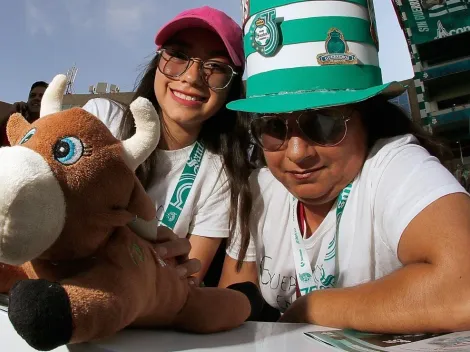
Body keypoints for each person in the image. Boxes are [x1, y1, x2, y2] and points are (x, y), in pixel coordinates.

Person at [219, 0, 470, 332]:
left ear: (367, 118)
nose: (297, 153)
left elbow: (463, 289)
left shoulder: (393, 167)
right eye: (274, 127)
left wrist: (308, 309)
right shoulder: (261, 190)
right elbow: (233, 296)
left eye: (323, 123)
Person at [83, 6, 253, 285]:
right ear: (157, 63)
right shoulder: (101, 119)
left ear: (232, 87)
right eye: (178, 56)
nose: (192, 77)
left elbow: (186, 286)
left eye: (216, 67)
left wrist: (170, 279)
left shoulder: (221, 175)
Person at [1, 81, 48, 146]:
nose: (36, 98)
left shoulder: (51, 127)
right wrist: (10, 114)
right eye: (33, 95)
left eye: (41, 96)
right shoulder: (12, 124)